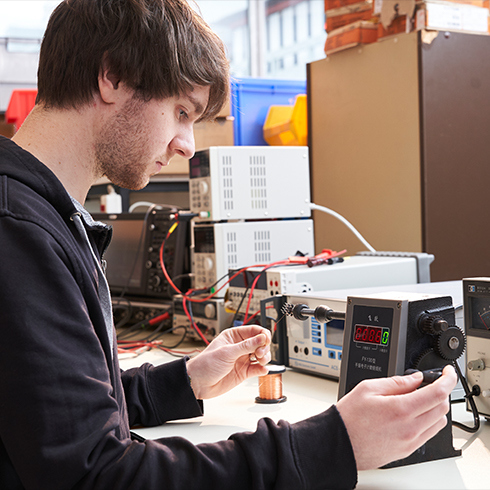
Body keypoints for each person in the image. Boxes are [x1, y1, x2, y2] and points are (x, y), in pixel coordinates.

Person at [0, 0, 457, 488]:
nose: (187, 144)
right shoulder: (19, 231)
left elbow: (55, 412)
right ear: (110, 76)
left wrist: (183, 381)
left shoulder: (42, 214)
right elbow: (94, 475)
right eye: (181, 112)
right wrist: (333, 444)